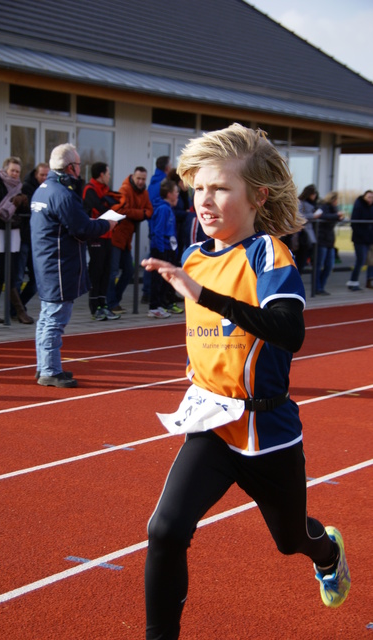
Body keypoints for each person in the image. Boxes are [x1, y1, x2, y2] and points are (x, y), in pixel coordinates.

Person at [142, 124, 351, 639]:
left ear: (256, 196)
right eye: (199, 189)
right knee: (165, 530)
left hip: (271, 430)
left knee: (290, 539)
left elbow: (290, 332)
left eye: (220, 188)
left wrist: (207, 297)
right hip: (214, 424)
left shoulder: (268, 256)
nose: (205, 200)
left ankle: (327, 550)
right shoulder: (193, 258)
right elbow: (210, 339)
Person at [31, 143, 116, 388]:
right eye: (78, 165)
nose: (80, 170)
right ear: (71, 167)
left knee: (47, 318)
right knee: (55, 319)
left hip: (48, 261)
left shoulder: (43, 189)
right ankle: (49, 369)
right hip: (59, 263)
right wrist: (106, 225)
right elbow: (81, 228)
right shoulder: (62, 193)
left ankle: (46, 366)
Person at [0, 156, 33, 324]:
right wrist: (14, 203)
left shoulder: (20, 188)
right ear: (5, 170)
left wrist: (23, 203)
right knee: (5, 268)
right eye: (12, 170)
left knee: (5, 270)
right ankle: (19, 311)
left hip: (14, 232)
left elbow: (26, 213)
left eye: (18, 172)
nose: (14, 174)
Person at [107, 166, 153, 313]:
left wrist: (136, 214)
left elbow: (150, 211)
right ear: (133, 177)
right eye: (138, 178)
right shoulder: (125, 190)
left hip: (127, 239)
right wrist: (140, 213)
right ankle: (111, 303)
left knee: (129, 270)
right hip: (116, 235)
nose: (141, 181)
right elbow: (120, 210)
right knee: (113, 271)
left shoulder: (144, 193)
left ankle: (115, 300)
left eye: (143, 179)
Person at [83, 162, 121, 320]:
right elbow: (99, 208)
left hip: (107, 235)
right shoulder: (90, 189)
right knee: (96, 271)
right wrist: (114, 213)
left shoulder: (106, 190)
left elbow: (117, 203)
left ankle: (103, 304)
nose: (109, 176)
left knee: (106, 271)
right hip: (95, 235)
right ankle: (94, 307)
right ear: (101, 174)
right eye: (108, 173)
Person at [12, 162, 49, 314]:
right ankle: (15, 309)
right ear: (36, 175)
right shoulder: (26, 187)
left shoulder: (49, 189)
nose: (45, 178)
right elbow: (34, 208)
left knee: (36, 279)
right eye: (42, 175)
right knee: (18, 277)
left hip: (37, 240)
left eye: (47, 175)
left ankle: (17, 307)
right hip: (24, 238)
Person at [147, 178, 184, 318]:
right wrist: (162, 250)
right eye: (176, 192)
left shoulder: (168, 209)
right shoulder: (163, 209)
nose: (178, 195)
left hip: (168, 248)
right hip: (161, 249)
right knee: (157, 280)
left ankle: (160, 305)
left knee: (163, 280)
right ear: (169, 194)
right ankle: (154, 307)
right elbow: (158, 231)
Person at [315, 191, 345, 295]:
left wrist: (340, 216)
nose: (337, 202)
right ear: (332, 199)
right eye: (336, 199)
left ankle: (321, 286)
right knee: (319, 265)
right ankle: (317, 287)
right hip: (322, 239)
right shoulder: (323, 207)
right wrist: (337, 215)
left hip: (330, 240)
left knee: (329, 265)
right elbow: (321, 216)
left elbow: (336, 217)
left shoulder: (334, 209)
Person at [346, 189, 373, 291]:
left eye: (372, 197)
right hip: (360, 239)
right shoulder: (359, 206)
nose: (370, 199)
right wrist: (362, 235)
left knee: (371, 261)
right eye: (369, 197)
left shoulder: (371, 207)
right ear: (364, 197)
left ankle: (369, 281)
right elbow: (354, 223)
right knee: (360, 260)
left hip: (370, 239)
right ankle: (353, 282)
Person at [294, 184, 322, 274]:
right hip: (302, 234)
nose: (314, 196)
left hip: (309, 233)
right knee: (300, 259)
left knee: (305, 258)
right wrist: (313, 216)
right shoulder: (301, 202)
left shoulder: (313, 204)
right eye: (313, 194)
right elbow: (299, 217)